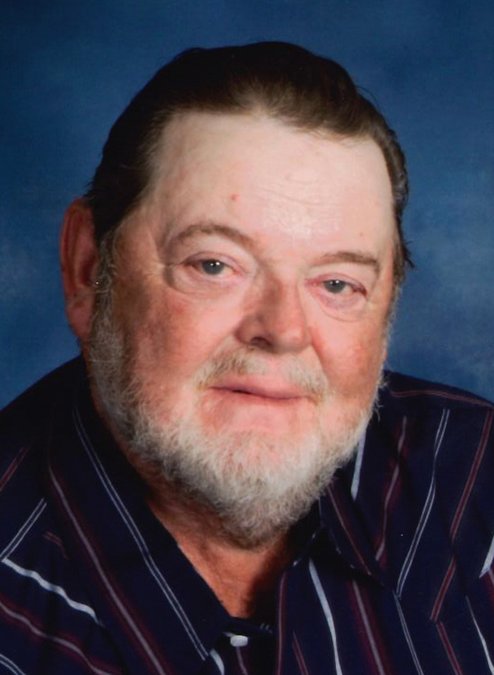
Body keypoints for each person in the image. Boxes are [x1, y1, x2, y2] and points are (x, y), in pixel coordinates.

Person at [1, 41, 493, 675]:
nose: (283, 330)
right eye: (214, 265)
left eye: (337, 283)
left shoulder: (474, 478)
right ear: (89, 268)